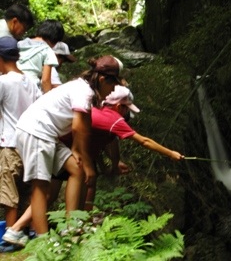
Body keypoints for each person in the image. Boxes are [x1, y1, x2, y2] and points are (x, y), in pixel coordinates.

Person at [3, 85, 184, 247]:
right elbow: (143, 141)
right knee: (51, 190)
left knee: (54, 191)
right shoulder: (112, 118)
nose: (125, 114)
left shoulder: (97, 111)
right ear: (119, 106)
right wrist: (171, 153)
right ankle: (70, 227)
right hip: (58, 146)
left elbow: (98, 144)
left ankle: (24, 228)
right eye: (126, 109)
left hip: (60, 145)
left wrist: (108, 166)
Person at [2, 55, 125, 242]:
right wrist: (86, 159)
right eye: (113, 86)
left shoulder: (85, 89)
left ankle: (72, 227)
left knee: (76, 169)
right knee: (41, 186)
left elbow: (84, 125)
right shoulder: (84, 90)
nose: (112, 91)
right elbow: (77, 126)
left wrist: (78, 151)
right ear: (102, 80)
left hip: (47, 134)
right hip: (35, 131)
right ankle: (43, 241)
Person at [0, 36, 41, 252]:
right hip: (30, 143)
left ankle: (8, 238)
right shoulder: (30, 81)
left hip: (9, 142)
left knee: (9, 194)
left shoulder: (3, 82)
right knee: (28, 191)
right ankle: (31, 233)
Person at [17, 20, 64, 93]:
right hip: (30, 87)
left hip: (11, 81)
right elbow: (45, 81)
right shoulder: (47, 50)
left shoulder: (19, 44)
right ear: (56, 40)